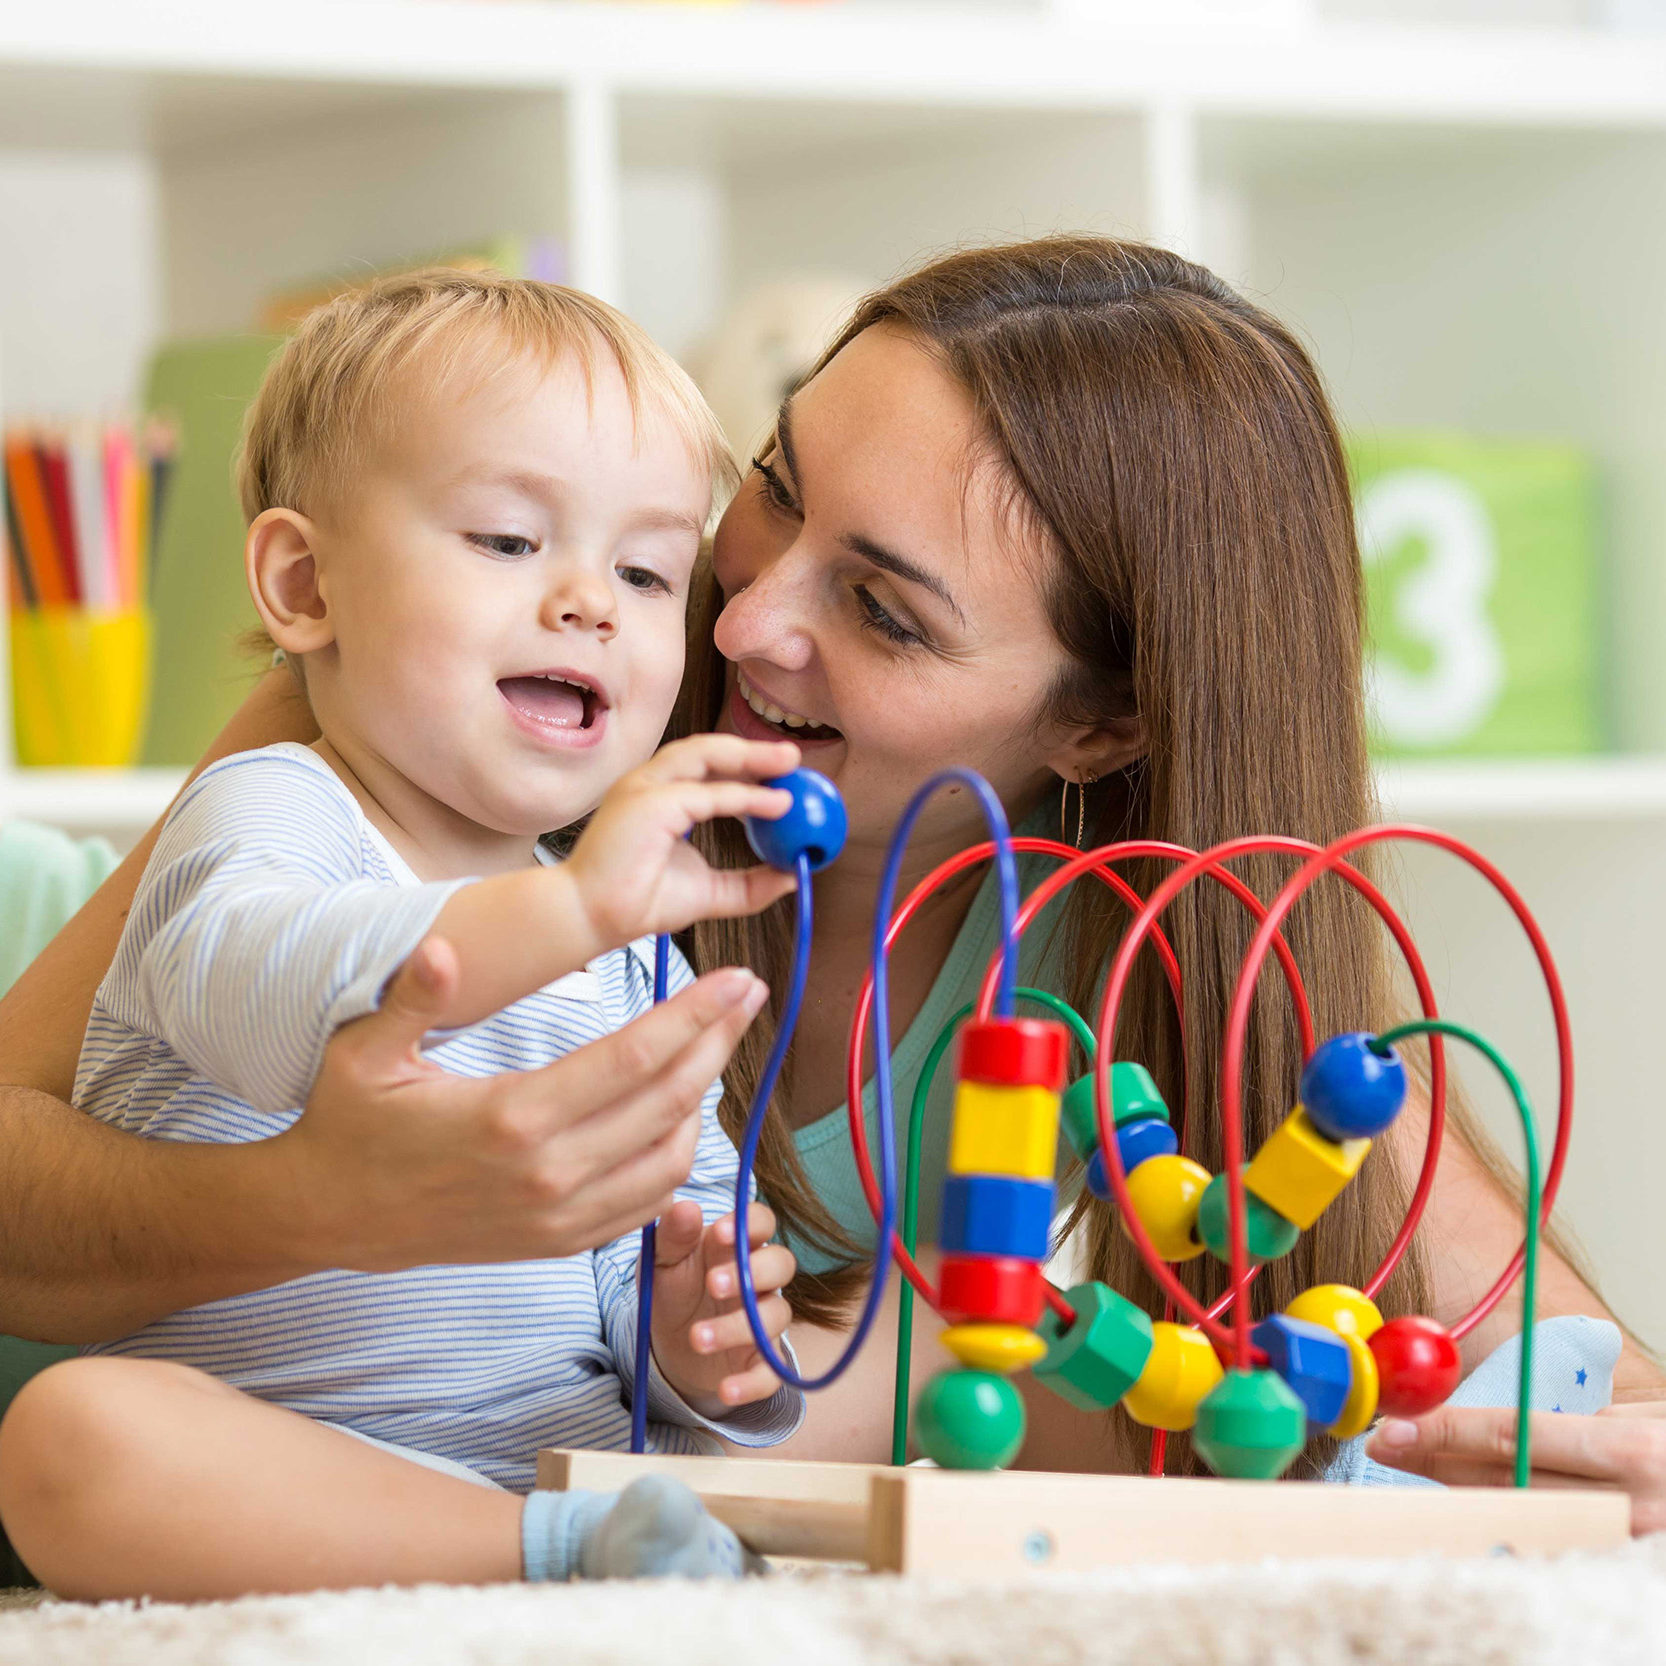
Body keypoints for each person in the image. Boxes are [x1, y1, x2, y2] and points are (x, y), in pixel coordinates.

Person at [2, 237, 1660, 1533]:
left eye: (881, 608)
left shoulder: (1145, 939)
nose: (727, 624)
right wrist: (323, 1198)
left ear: (1100, 722)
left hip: (496, 1466)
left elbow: (1565, 1381)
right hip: (151, 1391)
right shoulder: (458, 707)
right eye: (773, 485)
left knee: (1101, 1380)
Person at [0, 270, 808, 1600]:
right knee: (68, 1435)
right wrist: (571, 909)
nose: (588, 601)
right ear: (304, 583)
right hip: (270, 1476)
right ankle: (547, 1560)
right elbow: (259, 986)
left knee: (677, 1425)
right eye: (506, 540)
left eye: (647, 568)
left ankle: (591, 1541)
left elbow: (653, 1229)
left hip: (539, 1451)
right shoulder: (271, 808)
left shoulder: (619, 938)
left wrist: (699, 1334)